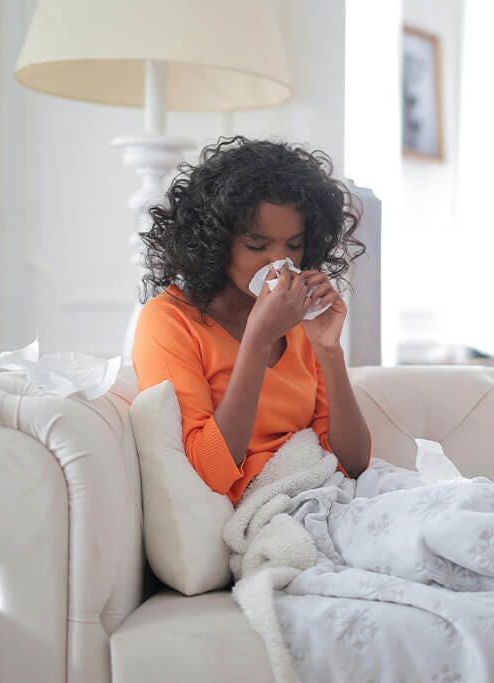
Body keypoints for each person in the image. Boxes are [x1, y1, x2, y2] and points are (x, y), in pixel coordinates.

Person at [132, 136, 373, 506]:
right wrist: (258, 341)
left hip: (330, 496)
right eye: (257, 246)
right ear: (215, 242)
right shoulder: (169, 321)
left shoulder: (300, 321)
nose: (279, 263)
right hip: (276, 510)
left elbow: (354, 464)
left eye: (294, 245)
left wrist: (328, 349)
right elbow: (207, 472)